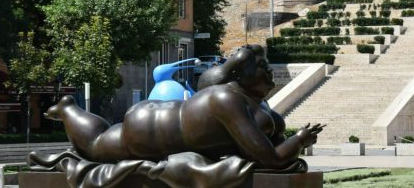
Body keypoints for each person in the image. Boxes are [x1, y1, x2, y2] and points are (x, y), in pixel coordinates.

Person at [43, 45, 321, 169]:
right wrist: (299, 140)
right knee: (95, 146)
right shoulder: (227, 100)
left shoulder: (250, 104)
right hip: (147, 131)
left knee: (102, 138)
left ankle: (69, 110)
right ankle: (68, 108)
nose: (269, 72)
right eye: (261, 67)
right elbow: (269, 158)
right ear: (240, 77)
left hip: (158, 120)